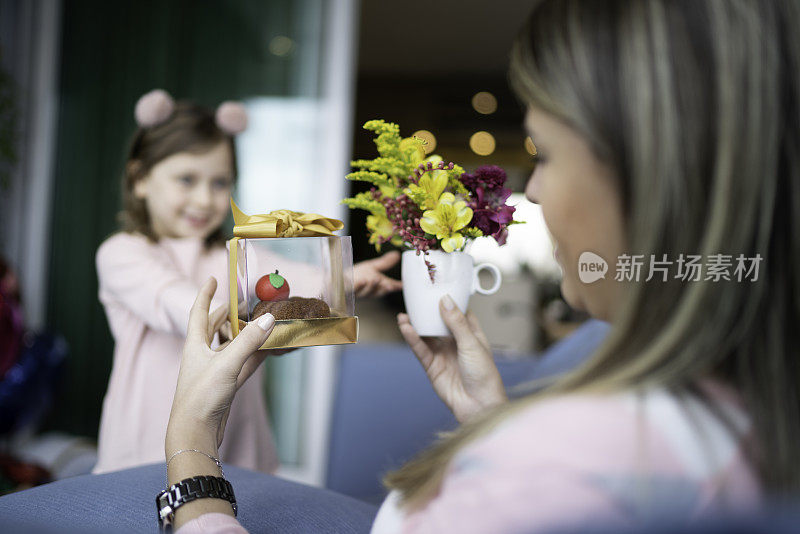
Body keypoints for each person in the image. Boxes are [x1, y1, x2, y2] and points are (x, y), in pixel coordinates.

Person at [160, 0, 800, 532]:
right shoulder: (738, 425)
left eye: (544, 153)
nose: (538, 191)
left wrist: (190, 457)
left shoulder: (565, 474)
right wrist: (496, 424)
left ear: (650, 177)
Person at [93, 90, 402, 475]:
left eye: (220, 183)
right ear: (139, 179)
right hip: (144, 456)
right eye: (187, 179)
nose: (205, 199)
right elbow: (174, 302)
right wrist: (241, 317)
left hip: (241, 456)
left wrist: (347, 280)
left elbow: (295, 280)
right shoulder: (123, 252)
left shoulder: (233, 255)